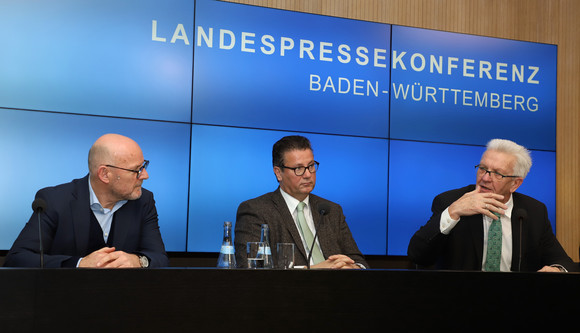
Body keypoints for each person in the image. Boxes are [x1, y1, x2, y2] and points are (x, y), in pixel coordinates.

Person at [408, 138, 576, 272]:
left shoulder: (534, 212)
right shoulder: (450, 201)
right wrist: (452, 212)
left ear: (515, 184)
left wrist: (557, 270)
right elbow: (418, 255)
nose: (485, 178)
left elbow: (563, 262)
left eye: (497, 173)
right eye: (482, 168)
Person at [4, 133, 169, 268]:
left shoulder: (143, 201)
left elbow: (160, 258)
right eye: (137, 170)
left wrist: (138, 261)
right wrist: (79, 264)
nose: (145, 176)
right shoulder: (55, 200)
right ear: (104, 174)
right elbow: (17, 259)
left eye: (144, 166)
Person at [234, 135, 368, 269]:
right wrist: (315, 271)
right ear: (278, 173)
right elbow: (250, 269)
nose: (308, 174)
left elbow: (359, 261)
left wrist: (353, 268)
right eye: (298, 168)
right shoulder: (256, 210)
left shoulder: (331, 210)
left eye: (311, 166)